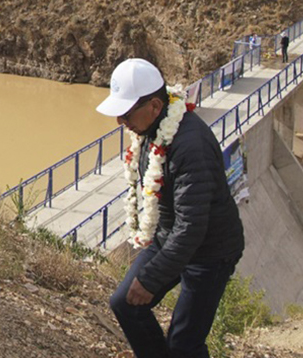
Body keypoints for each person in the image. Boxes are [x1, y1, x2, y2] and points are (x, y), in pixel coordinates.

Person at [97, 58, 245, 358]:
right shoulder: (151, 129)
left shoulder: (191, 146)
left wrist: (151, 279)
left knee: (184, 342)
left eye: (125, 113)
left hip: (211, 252)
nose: (120, 122)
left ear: (154, 105)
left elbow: (192, 225)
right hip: (170, 236)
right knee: (125, 302)